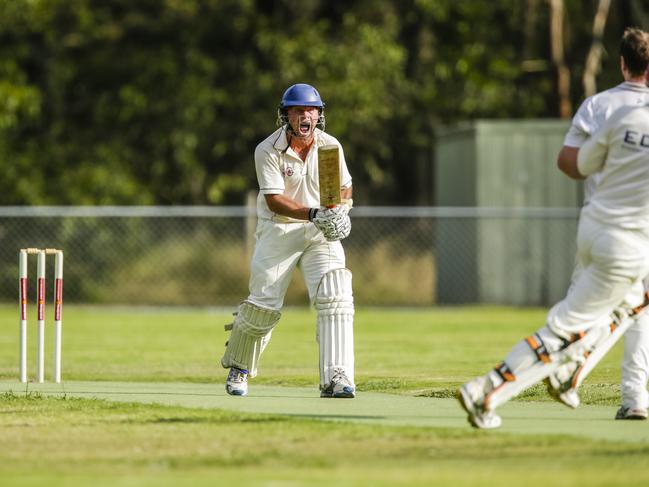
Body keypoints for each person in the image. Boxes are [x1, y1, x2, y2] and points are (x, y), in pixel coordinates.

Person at [457, 103, 649, 428]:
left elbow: (581, 164)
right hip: (627, 245)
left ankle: (571, 367)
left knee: (631, 306)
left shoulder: (625, 116)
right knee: (566, 329)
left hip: (594, 227)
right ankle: (485, 389)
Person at [219, 83, 356, 399]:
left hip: (319, 234)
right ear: (286, 116)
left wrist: (340, 212)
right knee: (263, 306)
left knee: (337, 296)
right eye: (297, 110)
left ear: (319, 115)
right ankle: (239, 367)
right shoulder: (267, 149)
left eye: (310, 110)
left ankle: (337, 377)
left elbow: (343, 189)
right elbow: (274, 201)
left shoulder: (330, 146)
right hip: (279, 231)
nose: (304, 115)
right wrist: (313, 214)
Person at [547, 27, 649, 420]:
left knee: (581, 304)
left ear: (622, 63)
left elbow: (569, 163)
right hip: (641, 230)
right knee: (639, 313)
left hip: (601, 223)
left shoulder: (597, 106)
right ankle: (635, 397)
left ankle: (565, 373)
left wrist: (603, 159)